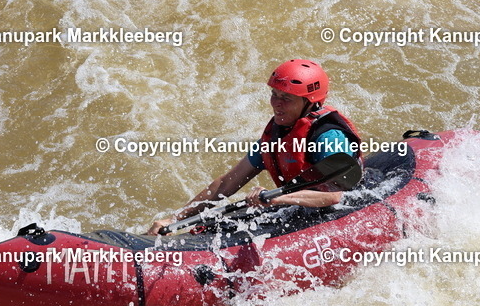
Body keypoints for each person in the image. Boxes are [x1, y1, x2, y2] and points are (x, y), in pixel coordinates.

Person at [147, 59, 363, 235]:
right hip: (294, 204)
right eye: (275, 95)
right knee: (209, 228)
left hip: (340, 210)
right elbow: (224, 185)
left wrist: (277, 198)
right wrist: (173, 219)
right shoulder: (278, 133)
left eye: (286, 98)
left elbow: (335, 195)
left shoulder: (328, 137)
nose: (276, 104)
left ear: (309, 102)